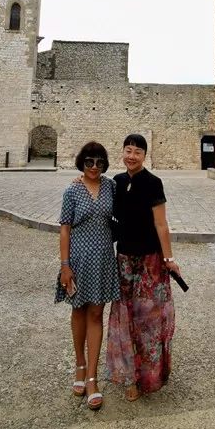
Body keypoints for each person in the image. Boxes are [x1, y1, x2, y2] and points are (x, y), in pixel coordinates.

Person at [106, 133, 180, 400]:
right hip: (124, 260)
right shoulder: (116, 182)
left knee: (148, 320)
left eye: (137, 152)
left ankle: (151, 374)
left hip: (150, 260)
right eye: (128, 150)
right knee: (124, 320)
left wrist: (169, 259)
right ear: (122, 152)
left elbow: (161, 224)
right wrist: (80, 181)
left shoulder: (153, 183)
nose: (131, 156)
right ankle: (130, 379)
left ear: (144, 156)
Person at [55, 141, 120, 410]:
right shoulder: (72, 191)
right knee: (79, 311)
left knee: (96, 314)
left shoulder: (110, 187)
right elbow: (65, 230)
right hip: (79, 261)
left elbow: (123, 212)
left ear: (104, 165)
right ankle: (79, 365)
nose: (94, 167)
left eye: (99, 163)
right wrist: (65, 265)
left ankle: (92, 376)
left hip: (103, 259)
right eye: (89, 162)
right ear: (81, 163)